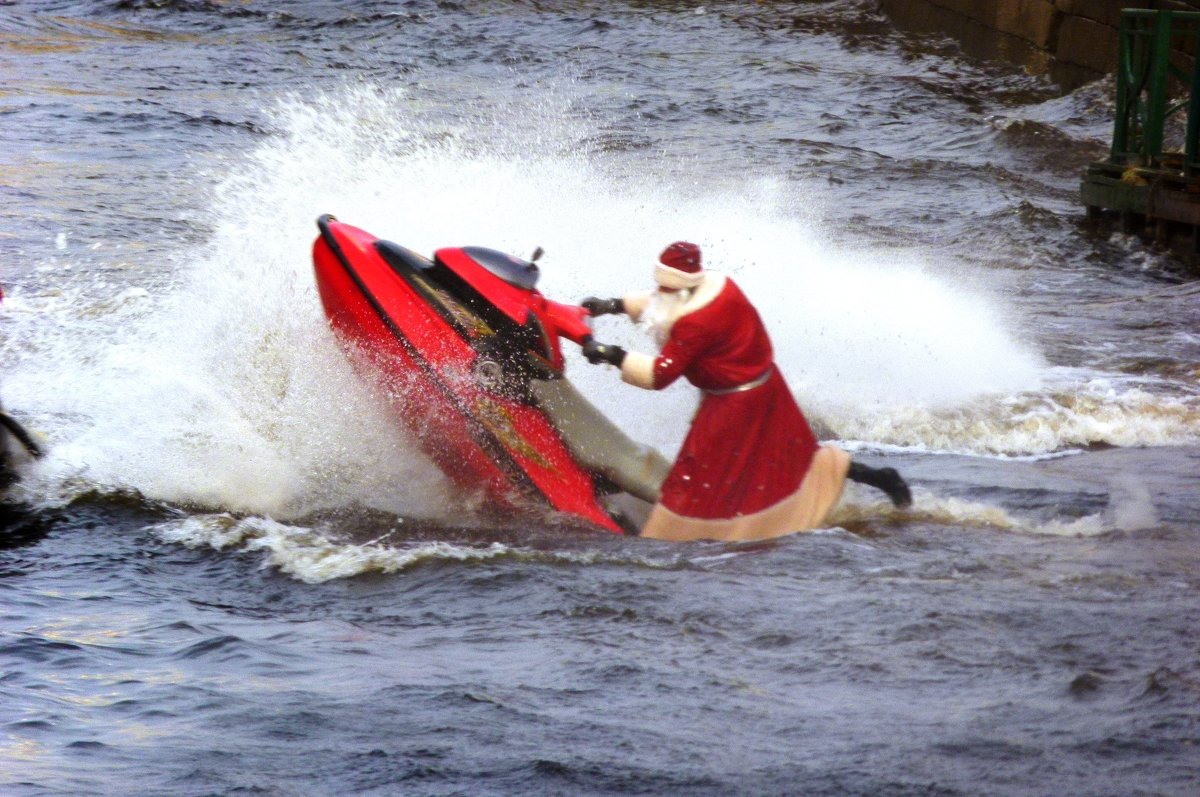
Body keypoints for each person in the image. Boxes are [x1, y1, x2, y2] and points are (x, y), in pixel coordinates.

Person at [580, 241, 911, 542]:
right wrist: (613, 305)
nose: (658, 290)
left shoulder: (697, 322)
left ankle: (675, 538)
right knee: (795, 456)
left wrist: (611, 355)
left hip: (736, 405)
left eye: (664, 285)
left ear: (681, 288)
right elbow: (662, 304)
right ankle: (882, 478)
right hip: (763, 387)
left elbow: (661, 374)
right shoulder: (710, 287)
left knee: (699, 475)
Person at [484, 258, 670, 505]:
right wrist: (609, 306)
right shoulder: (526, 299)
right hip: (539, 377)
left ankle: (675, 501)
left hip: (545, 381)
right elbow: (573, 313)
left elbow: (662, 372)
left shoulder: (695, 317)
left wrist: (607, 351)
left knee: (604, 449)